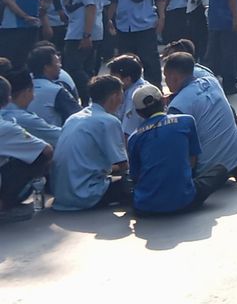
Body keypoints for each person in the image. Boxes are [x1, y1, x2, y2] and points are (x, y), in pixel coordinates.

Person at [127, 83, 228, 215]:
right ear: (164, 100)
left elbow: (136, 175)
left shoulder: (134, 137)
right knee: (220, 170)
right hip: (184, 200)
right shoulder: (186, 121)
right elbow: (193, 159)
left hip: (145, 206)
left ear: (139, 113)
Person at [163, 52, 237, 181]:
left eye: (166, 77)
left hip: (206, 167)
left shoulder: (177, 107)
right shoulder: (212, 81)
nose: (165, 82)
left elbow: (180, 147)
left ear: (175, 77)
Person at [50, 74, 130, 211]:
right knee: (140, 182)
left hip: (60, 196)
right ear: (115, 96)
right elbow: (123, 165)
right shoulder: (108, 121)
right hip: (86, 195)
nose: (122, 101)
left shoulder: (73, 118)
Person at [0, 76, 53, 223]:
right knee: (38, 156)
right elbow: (46, 150)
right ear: (8, 98)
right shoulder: (7, 127)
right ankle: (4, 205)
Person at [62, 0, 106, 105]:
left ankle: (91, 97)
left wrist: (86, 35)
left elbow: (91, 7)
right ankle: (89, 101)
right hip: (81, 28)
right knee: (86, 69)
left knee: (74, 69)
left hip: (81, 31)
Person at [1, 69, 62, 146]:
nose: (34, 96)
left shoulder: (4, 112)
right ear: (27, 91)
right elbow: (61, 136)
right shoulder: (23, 118)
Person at [27, 44, 80, 127]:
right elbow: (79, 116)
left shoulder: (23, 88)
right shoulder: (56, 91)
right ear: (47, 67)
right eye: (57, 63)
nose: (60, 66)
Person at [108, 53, 151, 138]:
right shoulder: (132, 86)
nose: (111, 80)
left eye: (114, 77)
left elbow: (127, 134)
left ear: (127, 79)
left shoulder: (135, 97)